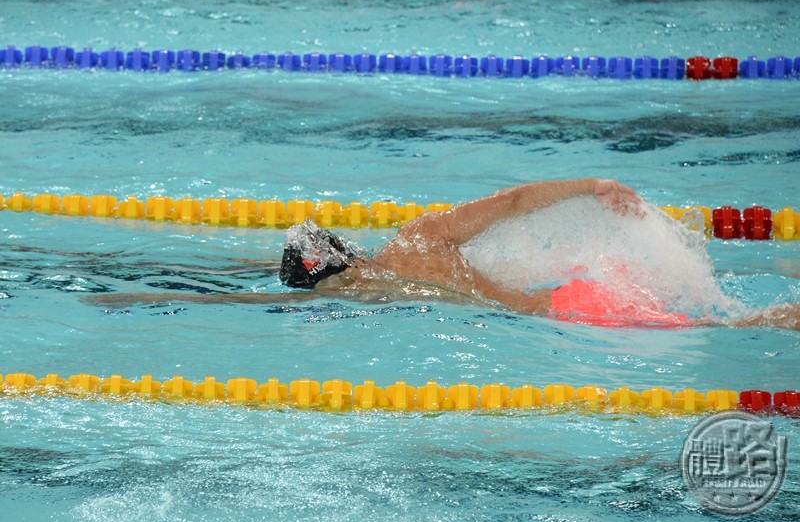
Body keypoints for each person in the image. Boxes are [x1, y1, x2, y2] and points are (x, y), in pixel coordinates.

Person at [86, 178, 800, 331]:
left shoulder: (362, 287)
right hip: (564, 305)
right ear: (341, 250)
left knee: (736, 327)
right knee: (719, 320)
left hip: (567, 313)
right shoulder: (409, 250)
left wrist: (136, 299)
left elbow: (235, 302)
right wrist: (590, 186)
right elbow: (516, 203)